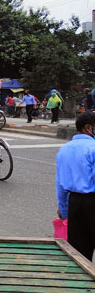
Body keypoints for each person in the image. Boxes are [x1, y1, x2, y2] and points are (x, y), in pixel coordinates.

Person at [55, 111, 95, 261]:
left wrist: (64, 210)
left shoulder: (64, 150)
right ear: (88, 128)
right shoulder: (93, 148)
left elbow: (60, 184)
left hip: (75, 204)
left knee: (80, 255)